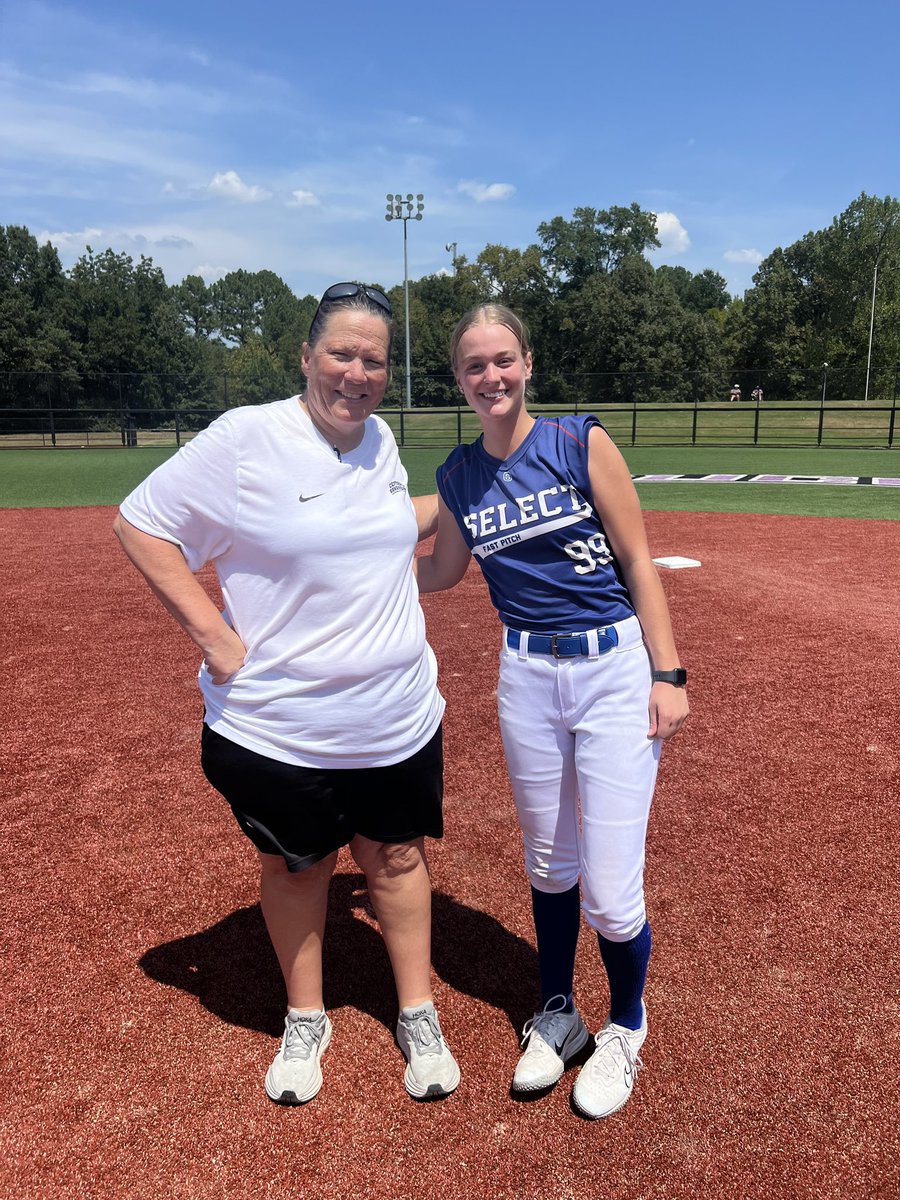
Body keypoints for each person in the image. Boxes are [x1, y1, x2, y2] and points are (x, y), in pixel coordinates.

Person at [113, 282, 459, 1106]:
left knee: (398, 857)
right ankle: (307, 1018)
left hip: (397, 716)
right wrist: (216, 639)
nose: (357, 374)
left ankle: (416, 1011)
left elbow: (369, 526)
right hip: (283, 727)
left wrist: (463, 495)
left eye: (374, 360)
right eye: (341, 353)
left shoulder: (380, 440)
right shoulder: (247, 438)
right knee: (299, 868)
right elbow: (140, 523)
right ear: (306, 357)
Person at [415, 304, 688, 1119]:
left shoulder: (578, 442)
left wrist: (668, 673)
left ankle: (626, 1025)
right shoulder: (459, 475)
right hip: (526, 676)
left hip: (612, 671)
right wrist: (351, 565)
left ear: (527, 363)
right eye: (474, 365)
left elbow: (637, 560)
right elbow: (442, 572)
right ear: (458, 379)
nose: (491, 376)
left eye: (503, 359)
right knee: (548, 862)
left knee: (611, 889)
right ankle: (558, 1012)